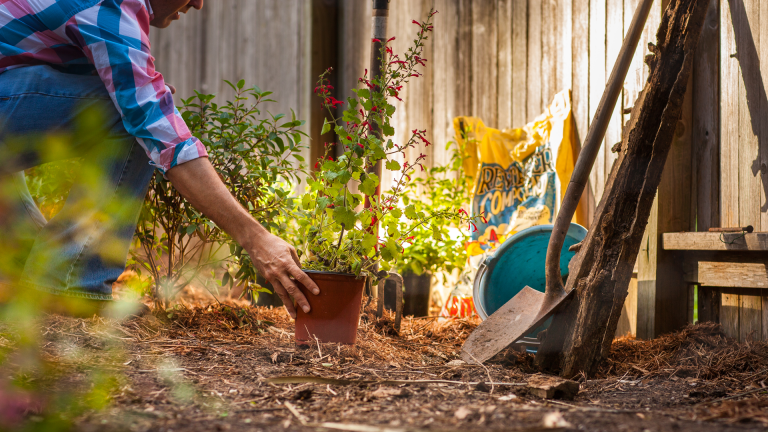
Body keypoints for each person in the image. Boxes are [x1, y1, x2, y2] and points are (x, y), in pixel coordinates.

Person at [0, 0, 319, 318]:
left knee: (130, 103)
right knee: (130, 113)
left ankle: (37, 278)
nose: (198, 3)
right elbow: (154, 124)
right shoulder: (108, 7)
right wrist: (257, 238)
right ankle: (69, 285)